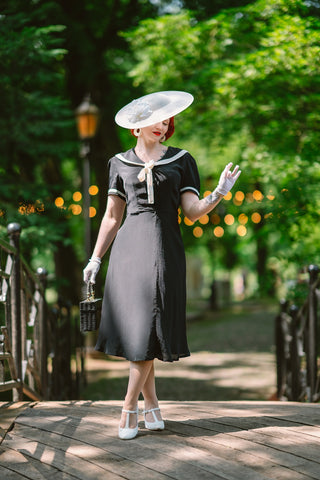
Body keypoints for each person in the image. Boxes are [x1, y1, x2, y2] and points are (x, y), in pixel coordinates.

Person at [83, 91, 241, 440]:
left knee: (148, 324)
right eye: (158, 119)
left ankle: (128, 406)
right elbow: (111, 216)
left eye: (168, 119)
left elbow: (192, 211)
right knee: (140, 329)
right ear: (137, 126)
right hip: (127, 250)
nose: (164, 124)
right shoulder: (119, 163)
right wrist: (95, 258)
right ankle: (151, 405)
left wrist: (219, 193)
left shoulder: (182, 160)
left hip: (164, 248)